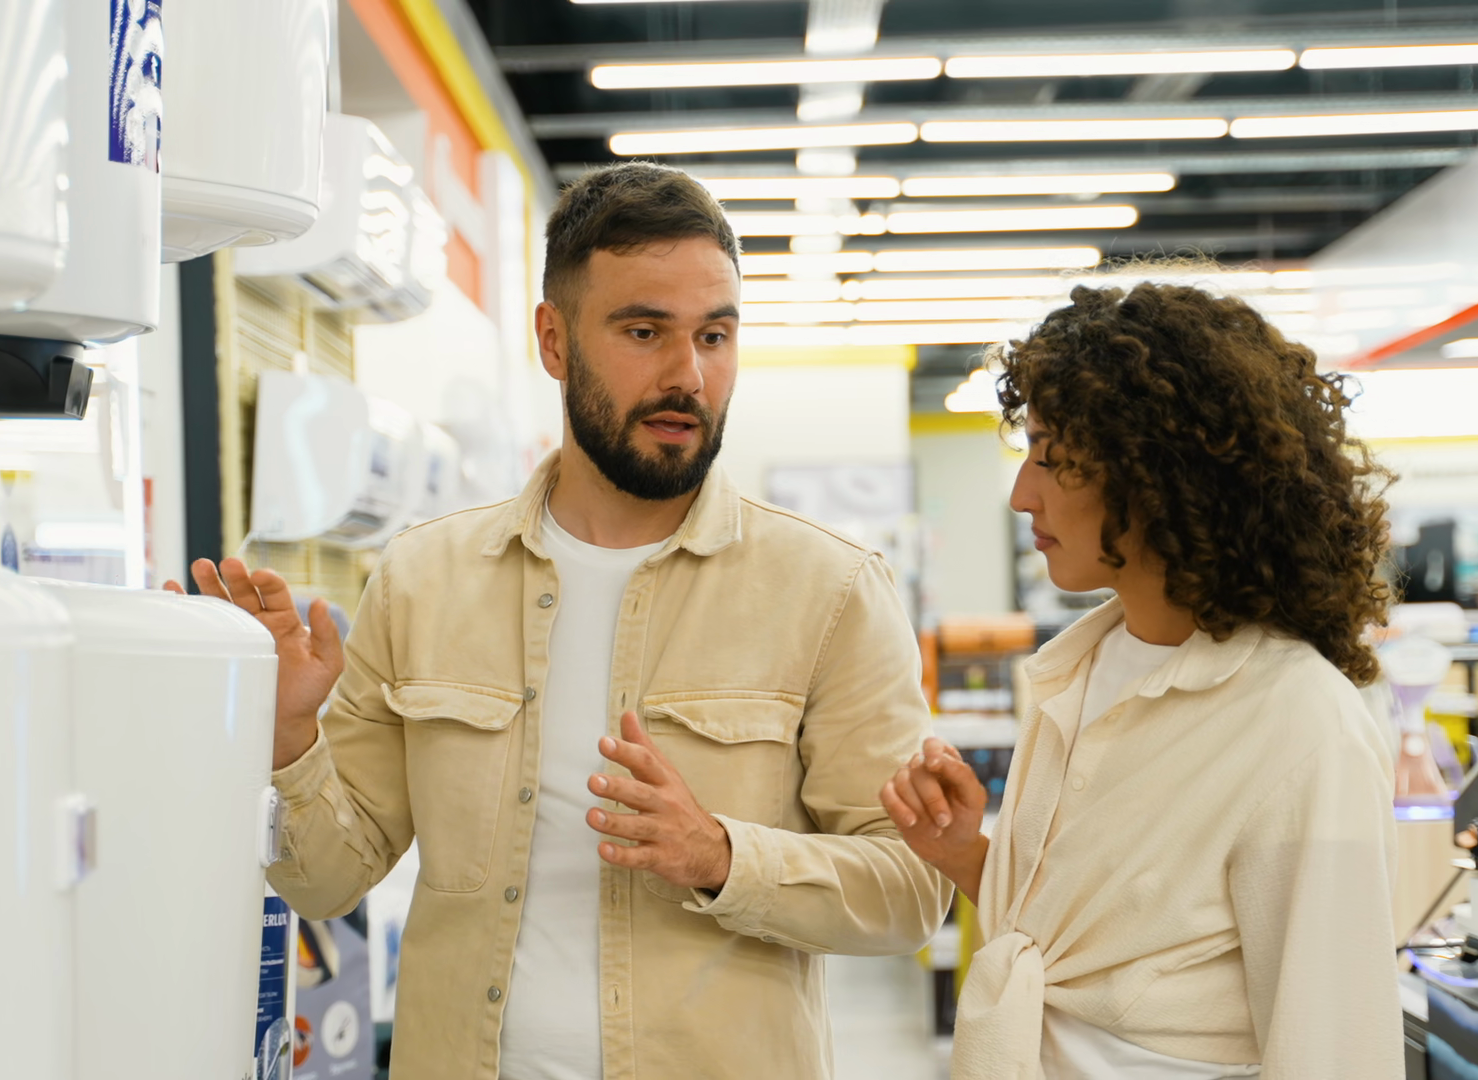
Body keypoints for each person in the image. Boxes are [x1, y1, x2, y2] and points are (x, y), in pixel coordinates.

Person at [172, 162, 946, 1079]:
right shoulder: (423, 578)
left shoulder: (830, 589)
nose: (688, 375)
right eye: (644, 332)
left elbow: (912, 890)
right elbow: (327, 879)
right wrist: (290, 737)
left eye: (715, 335)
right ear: (554, 339)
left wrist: (720, 856)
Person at [881, 282, 1403, 1078]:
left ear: (1156, 472)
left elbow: (1336, 1051)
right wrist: (965, 855)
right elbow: (1090, 949)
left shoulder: (1302, 726)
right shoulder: (1078, 672)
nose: (1022, 495)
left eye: (1051, 456)